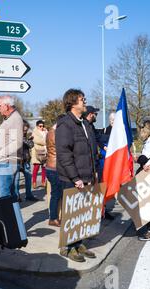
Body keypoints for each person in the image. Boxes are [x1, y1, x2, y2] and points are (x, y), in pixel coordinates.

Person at [56, 89, 97, 263]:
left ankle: (78, 243)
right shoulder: (66, 124)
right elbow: (64, 154)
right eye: (82, 99)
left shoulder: (85, 124)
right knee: (71, 214)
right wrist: (75, 178)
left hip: (87, 175)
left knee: (82, 213)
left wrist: (94, 172)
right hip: (72, 179)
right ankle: (67, 247)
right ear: (72, 103)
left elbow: (89, 151)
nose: (84, 101)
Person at [0, 95, 24, 200]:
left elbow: (18, 142)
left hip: (7, 162)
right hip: (7, 162)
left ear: (6, 106)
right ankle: (14, 217)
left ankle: (6, 217)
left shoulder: (15, 118)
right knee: (11, 197)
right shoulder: (11, 118)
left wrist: (1, 153)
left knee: (3, 197)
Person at [46, 115, 66, 227]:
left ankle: (54, 217)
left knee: (56, 194)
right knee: (57, 194)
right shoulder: (56, 133)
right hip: (55, 167)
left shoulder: (50, 132)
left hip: (51, 166)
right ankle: (53, 218)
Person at [17, 120, 38, 202]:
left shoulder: (25, 136)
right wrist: (26, 140)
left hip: (26, 160)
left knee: (28, 179)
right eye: (24, 129)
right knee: (16, 180)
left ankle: (29, 195)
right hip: (18, 161)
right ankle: (17, 196)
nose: (25, 131)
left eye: (26, 129)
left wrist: (28, 139)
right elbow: (28, 143)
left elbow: (31, 145)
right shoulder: (16, 135)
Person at [31, 120, 47, 189]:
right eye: (40, 126)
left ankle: (43, 182)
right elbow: (38, 140)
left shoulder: (45, 132)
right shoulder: (34, 132)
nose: (42, 127)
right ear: (37, 126)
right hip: (37, 152)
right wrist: (46, 142)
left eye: (43, 126)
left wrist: (46, 132)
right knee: (36, 168)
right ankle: (34, 182)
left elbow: (49, 138)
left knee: (44, 168)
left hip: (44, 152)